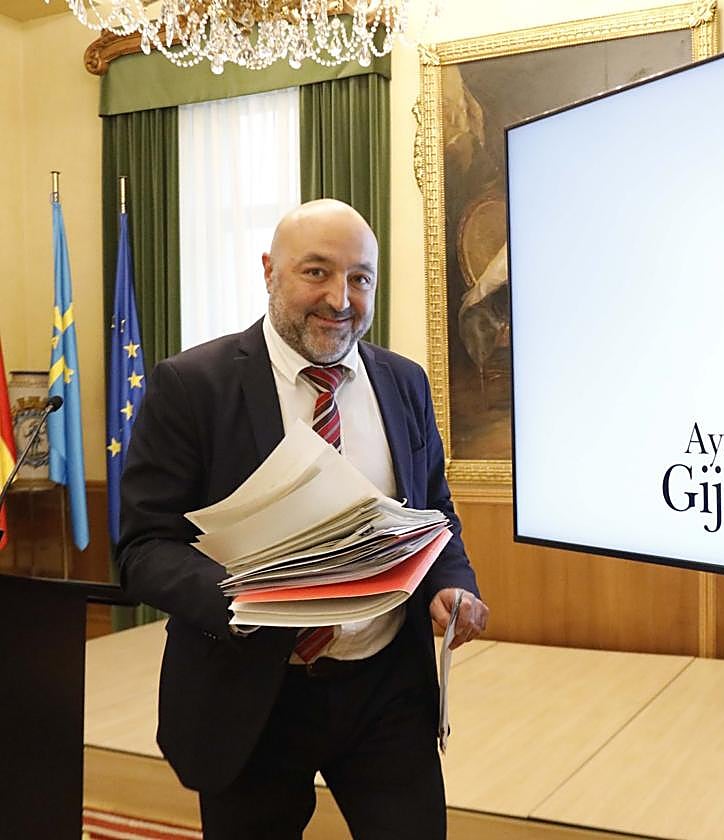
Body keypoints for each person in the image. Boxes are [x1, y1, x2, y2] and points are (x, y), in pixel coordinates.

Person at [117, 199, 489, 839]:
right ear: (270, 270)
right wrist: (251, 596)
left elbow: (434, 513)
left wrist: (453, 583)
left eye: (359, 278)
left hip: (387, 688)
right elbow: (144, 547)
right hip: (251, 694)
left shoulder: (404, 383)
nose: (340, 299)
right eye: (316, 272)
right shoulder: (191, 386)